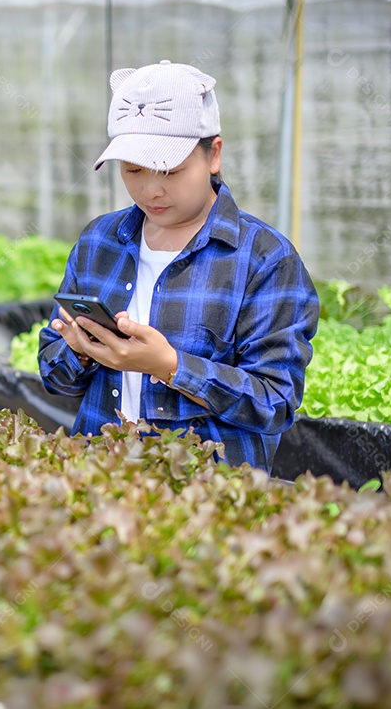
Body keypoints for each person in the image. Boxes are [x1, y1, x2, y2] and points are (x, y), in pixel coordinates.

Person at [38, 60, 319, 471]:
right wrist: (79, 353)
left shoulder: (264, 259)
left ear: (214, 154)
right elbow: (52, 374)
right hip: (101, 477)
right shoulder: (99, 241)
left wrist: (170, 367)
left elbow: (274, 402)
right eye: (133, 169)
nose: (151, 189)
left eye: (170, 170)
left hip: (207, 496)